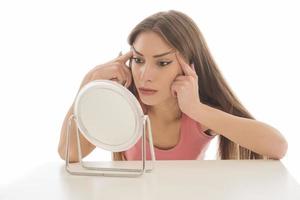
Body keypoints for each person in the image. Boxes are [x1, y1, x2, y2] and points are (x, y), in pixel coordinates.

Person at [58, 10, 288, 162]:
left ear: (189, 68)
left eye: (162, 63)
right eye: (138, 60)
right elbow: (68, 153)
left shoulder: (199, 114)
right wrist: (87, 84)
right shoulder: (124, 102)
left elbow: (277, 147)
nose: (145, 75)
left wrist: (196, 109)